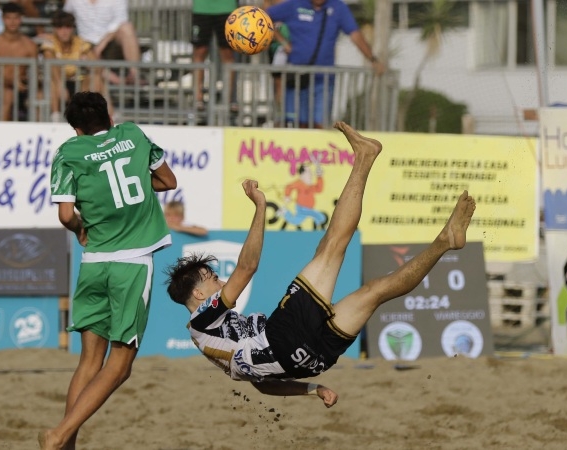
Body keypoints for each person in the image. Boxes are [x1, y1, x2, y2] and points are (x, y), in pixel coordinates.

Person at [164, 122, 476, 407]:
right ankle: (365, 158)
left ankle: (445, 242)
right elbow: (247, 267)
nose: (219, 281)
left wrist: (313, 389)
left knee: (375, 291)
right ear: (199, 295)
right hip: (281, 341)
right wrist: (260, 206)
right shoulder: (203, 319)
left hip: (311, 360)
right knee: (331, 249)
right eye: (211, 278)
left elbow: (262, 386)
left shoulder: (211, 340)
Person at [39, 91, 178, 450]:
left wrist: (80, 229)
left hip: (94, 262)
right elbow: (168, 181)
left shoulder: (69, 153)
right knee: (119, 366)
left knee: (88, 361)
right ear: (109, 116)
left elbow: (66, 215)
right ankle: (58, 435)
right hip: (132, 265)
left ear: (77, 129)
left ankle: (65, 443)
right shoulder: (132, 134)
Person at [266, 0, 386, 129]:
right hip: (296, 80)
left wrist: (373, 59)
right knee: (294, 125)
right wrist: (282, 41)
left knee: (320, 126)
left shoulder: (338, 7)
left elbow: (355, 34)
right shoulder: (295, 4)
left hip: (323, 81)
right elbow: (263, 17)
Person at [41, 10, 113, 122]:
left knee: (96, 78)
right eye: (60, 27)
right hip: (58, 81)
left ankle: (101, 117)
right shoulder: (50, 42)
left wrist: (89, 63)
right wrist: (60, 85)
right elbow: (51, 64)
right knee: (52, 81)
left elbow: (96, 66)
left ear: (73, 28)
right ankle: (55, 116)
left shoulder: (81, 43)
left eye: (68, 27)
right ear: (54, 29)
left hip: (78, 82)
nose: (64, 31)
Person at [63, 0, 143, 84]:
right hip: (85, 44)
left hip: (111, 42)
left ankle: (134, 74)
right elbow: (66, 17)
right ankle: (119, 81)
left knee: (127, 27)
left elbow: (121, 20)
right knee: (85, 54)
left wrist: (101, 45)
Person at [0, 2, 37, 121]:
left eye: (16, 18)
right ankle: (0, 134)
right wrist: (12, 81)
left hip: (23, 87)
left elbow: (35, 72)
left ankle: (39, 134)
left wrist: (26, 82)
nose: (12, 22)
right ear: (3, 19)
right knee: (7, 94)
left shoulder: (29, 45)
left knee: (40, 96)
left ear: (21, 19)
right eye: (8, 18)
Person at [190, 0, 236, 111]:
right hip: (202, 8)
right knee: (200, 51)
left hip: (227, 8)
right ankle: (197, 98)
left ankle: (227, 99)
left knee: (227, 53)